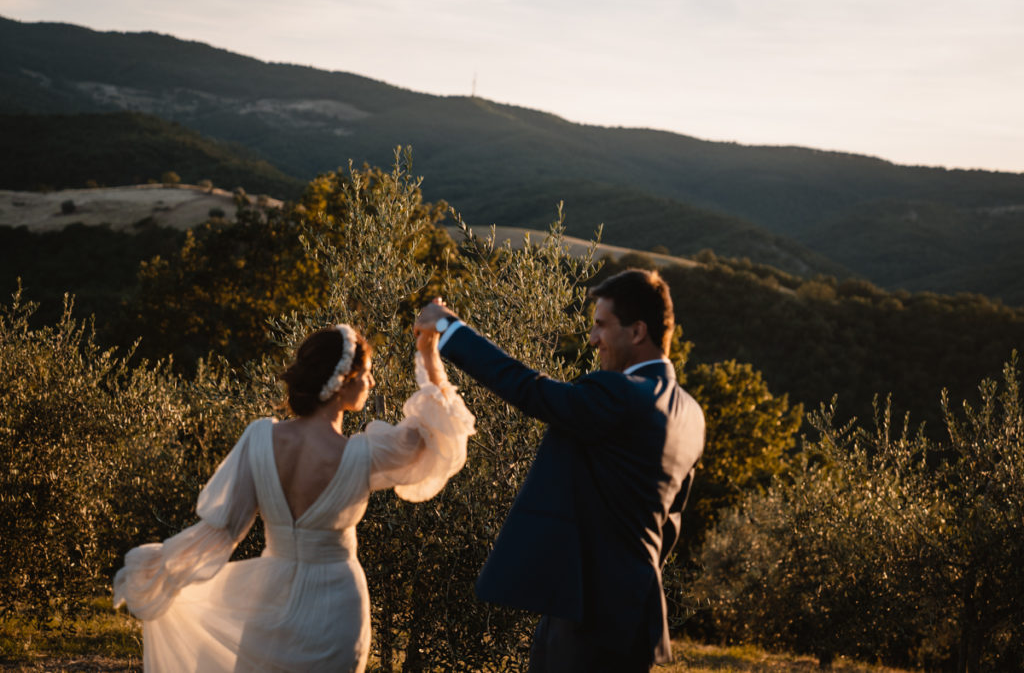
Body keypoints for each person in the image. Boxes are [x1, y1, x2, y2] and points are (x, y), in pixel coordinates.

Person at [113, 322, 474, 672]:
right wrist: (428, 355)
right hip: (338, 607)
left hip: (269, 597)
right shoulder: (364, 455)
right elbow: (435, 433)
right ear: (342, 382)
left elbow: (225, 531)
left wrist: (166, 565)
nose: (372, 381)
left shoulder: (259, 439)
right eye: (366, 372)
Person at [415, 268, 705, 672]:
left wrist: (448, 328)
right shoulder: (692, 415)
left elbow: (530, 390)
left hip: (588, 614)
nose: (593, 339)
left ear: (638, 332)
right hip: (637, 616)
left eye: (602, 326)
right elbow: (670, 521)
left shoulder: (619, 394)